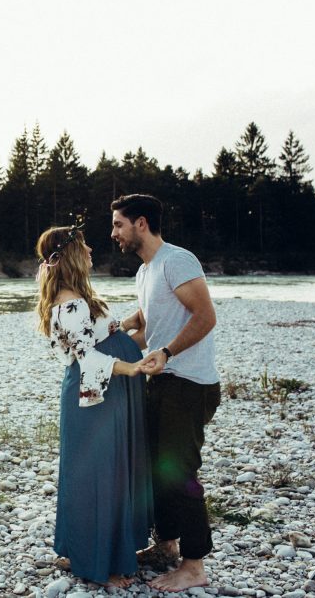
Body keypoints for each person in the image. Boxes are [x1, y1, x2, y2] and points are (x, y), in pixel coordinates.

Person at [110, 194, 221, 592]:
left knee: (179, 474)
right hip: (162, 380)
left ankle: (194, 565)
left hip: (190, 383)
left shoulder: (177, 260)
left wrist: (167, 351)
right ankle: (168, 545)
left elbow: (205, 316)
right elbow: (147, 322)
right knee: (156, 469)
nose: (113, 233)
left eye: (118, 224)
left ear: (141, 223)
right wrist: (112, 336)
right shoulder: (144, 273)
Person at [36, 224, 153, 588]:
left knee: (110, 472)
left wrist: (128, 322)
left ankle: (99, 549)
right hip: (96, 398)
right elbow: (87, 358)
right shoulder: (68, 303)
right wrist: (132, 367)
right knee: (99, 477)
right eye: (84, 248)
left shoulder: (78, 298)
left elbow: (94, 333)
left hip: (108, 396)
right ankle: (98, 563)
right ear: (71, 255)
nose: (90, 253)